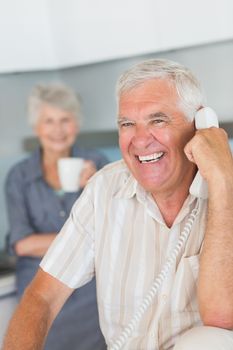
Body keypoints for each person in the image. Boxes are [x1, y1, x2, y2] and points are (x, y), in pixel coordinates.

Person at [3, 59, 233, 350]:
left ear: (200, 125)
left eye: (157, 120)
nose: (140, 139)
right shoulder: (104, 189)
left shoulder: (226, 190)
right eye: (127, 124)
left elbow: (222, 319)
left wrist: (223, 184)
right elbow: (42, 298)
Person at [4, 83, 108, 349]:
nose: (58, 130)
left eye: (65, 120)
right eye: (49, 121)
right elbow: (22, 244)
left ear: (76, 124)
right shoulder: (19, 176)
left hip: (92, 297)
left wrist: (97, 187)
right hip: (40, 292)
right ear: (36, 126)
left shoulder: (97, 164)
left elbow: (114, 229)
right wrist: (84, 239)